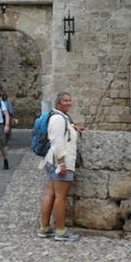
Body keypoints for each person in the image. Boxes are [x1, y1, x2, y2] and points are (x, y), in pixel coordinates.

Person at [38, 91, 84, 242]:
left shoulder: (61, 117)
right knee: (60, 197)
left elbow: (64, 132)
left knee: (51, 194)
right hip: (60, 162)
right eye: (65, 100)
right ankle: (60, 230)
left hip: (53, 161)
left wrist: (74, 128)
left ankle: (44, 228)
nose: (68, 103)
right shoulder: (58, 118)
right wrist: (62, 162)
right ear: (58, 103)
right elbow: (57, 141)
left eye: (69, 100)